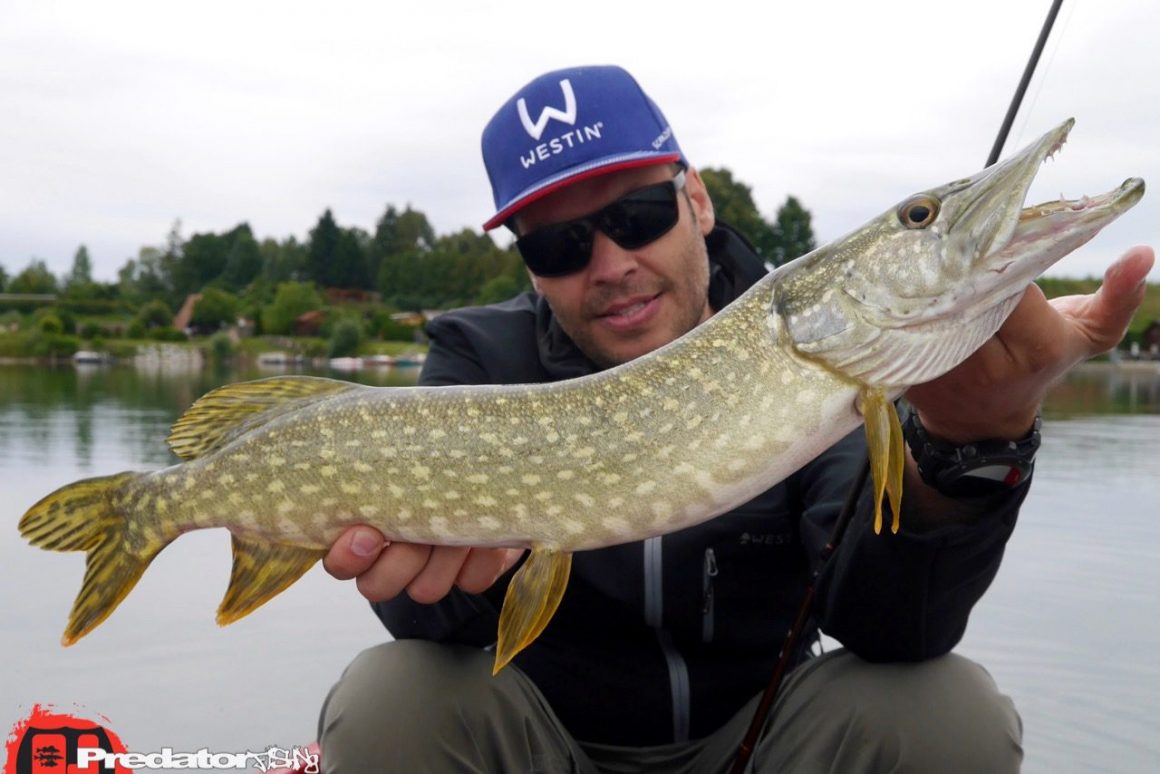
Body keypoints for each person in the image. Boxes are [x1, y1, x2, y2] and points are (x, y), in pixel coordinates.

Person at [317, 65, 1154, 772]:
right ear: (531, 266)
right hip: (548, 742)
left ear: (698, 200)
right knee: (392, 699)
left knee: (947, 712)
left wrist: (976, 443)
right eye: (559, 246)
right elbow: (431, 627)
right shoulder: (474, 361)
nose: (610, 264)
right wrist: (445, 576)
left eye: (636, 217)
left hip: (757, 740)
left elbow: (893, 628)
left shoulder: (816, 355)